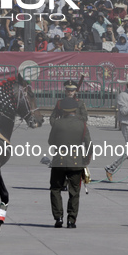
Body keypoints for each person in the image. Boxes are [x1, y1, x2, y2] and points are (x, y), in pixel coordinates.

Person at [48, 97, 92, 229]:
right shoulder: (82, 124)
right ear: (74, 109)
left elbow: (51, 141)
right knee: (74, 191)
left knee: (56, 189)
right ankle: (71, 220)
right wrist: (86, 160)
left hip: (59, 161)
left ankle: (58, 218)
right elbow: (89, 145)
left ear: (63, 110)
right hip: (76, 161)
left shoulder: (57, 123)